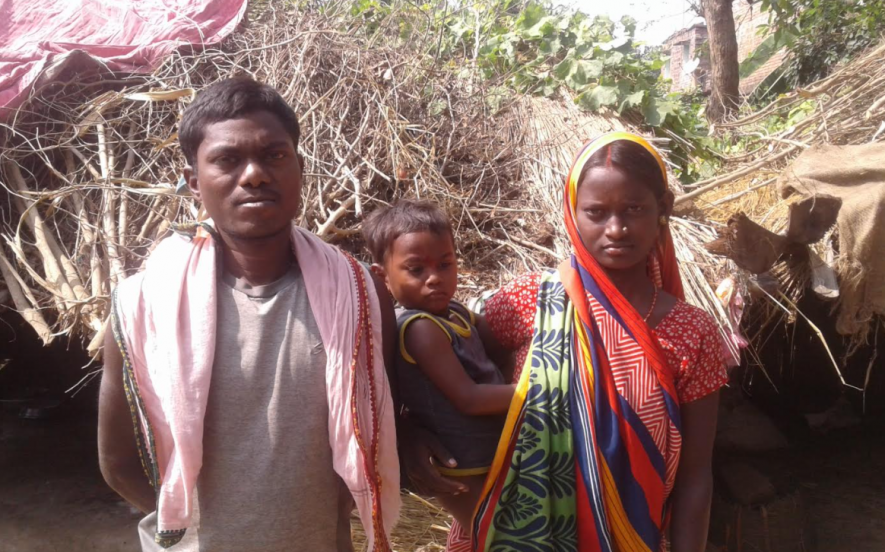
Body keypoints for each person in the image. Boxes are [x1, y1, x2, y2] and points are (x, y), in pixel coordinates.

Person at [96, 77, 401, 552]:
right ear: (194, 181)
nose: (255, 174)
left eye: (274, 155)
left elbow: (381, 424)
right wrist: (194, 529)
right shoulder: (144, 304)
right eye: (227, 160)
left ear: (300, 167)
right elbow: (118, 463)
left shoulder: (359, 295)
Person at [447, 132, 728, 552]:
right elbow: (449, 361)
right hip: (515, 536)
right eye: (596, 212)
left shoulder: (691, 331)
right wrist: (417, 441)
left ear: (663, 208)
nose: (616, 229)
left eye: (634, 209)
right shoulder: (531, 301)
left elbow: (695, 475)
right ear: (572, 213)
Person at [361, 200, 515, 528]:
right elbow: (469, 399)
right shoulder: (420, 328)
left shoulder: (455, 312)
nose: (435, 278)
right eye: (416, 270)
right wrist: (539, 390)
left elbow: (500, 343)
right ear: (382, 276)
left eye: (445, 264)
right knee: (496, 537)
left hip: (491, 451)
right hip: (462, 466)